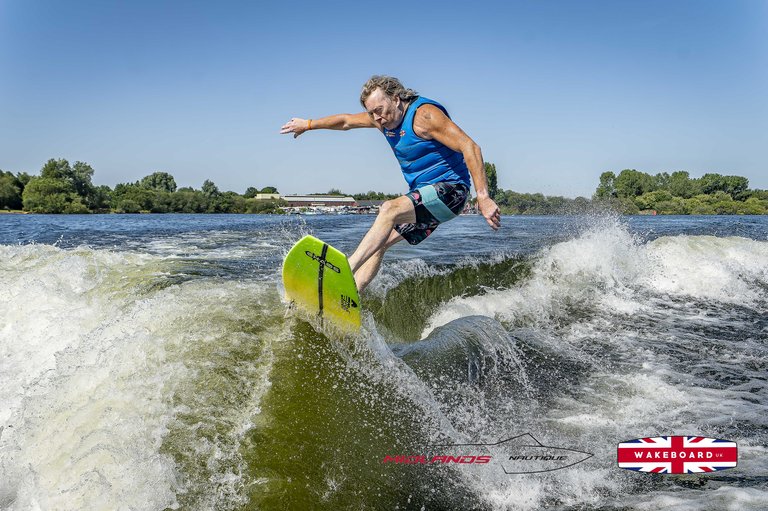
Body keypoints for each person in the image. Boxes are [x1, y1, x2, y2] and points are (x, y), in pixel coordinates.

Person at [280, 75, 501, 292]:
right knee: (379, 241)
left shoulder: (424, 116)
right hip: (426, 197)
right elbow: (346, 121)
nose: (376, 118)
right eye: (371, 113)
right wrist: (308, 125)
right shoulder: (381, 120)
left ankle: (344, 269)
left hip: (452, 192)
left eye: (379, 110)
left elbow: (470, 146)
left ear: (396, 99)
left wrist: (483, 197)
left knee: (388, 209)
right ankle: (350, 295)